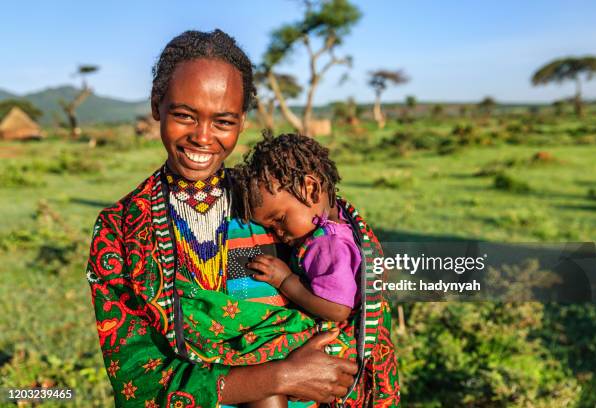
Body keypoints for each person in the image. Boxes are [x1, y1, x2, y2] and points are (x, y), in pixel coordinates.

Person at [87, 29, 399, 408]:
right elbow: (137, 377)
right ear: (157, 105)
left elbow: (358, 313)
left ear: (242, 121)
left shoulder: (277, 202)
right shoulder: (121, 230)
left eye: (223, 122)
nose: (203, 138)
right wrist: (280, 376)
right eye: (184, 115)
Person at [232, 133, 384, 408]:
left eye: (279, 219)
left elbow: (336, 309)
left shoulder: (327, 243)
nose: (278, 233)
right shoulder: (331, 228)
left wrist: (286, 281)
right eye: (269, 228)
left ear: (311, 189)